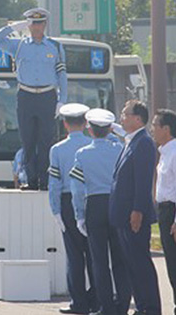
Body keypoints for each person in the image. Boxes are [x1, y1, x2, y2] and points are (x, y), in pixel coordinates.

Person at [0, 7, 67, 190]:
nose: (36, 27)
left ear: (45, 24)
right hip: (26, 95)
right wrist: (13, 27)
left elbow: (62, 74)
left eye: (40, 23)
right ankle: (31, 181)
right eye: (33, 23)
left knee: (46, 140)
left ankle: (45, 180)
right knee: (28, 140)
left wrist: (62, 100)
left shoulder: (55, 46)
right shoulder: (19, 45)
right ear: (28, 25)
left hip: (47, 96)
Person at [70, 108, 131, 315]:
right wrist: (117, 129)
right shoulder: (120, 149)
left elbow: (77, 190)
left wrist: (79, 215)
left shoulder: (82, 154)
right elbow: (129, 138)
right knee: (120, 259)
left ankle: (105, 307)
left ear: (90, 129)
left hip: (94, 205)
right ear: (110, 128)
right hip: (117, 203)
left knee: (99, 260)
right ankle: (122, 305)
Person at [110, 100, 161, 315]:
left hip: (133, 216)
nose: (122, 115)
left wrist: (138, 210)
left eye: (126, 112)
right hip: (122, 216)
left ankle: (150, 308)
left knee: (141, 264)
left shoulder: (144, 143)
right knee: (132, 265)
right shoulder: (131, 141)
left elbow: (142, 181)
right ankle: (142, 307)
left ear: (137, 118)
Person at [48, 103, 97, 314]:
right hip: (93, 201)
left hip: (68, 203)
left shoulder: (57, 149)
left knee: (74, 255)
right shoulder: (93, 144)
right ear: (86, 123)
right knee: (95, 254)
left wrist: (56, 210)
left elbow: (54, 183)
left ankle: (78, 303)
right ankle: (97, 298)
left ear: (65, 124)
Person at [151, 109, 176, 315]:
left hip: (172, 212)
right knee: (171, 262)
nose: (152, 129)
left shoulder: (174, 152)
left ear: (166, 129)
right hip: (165, 211)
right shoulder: (165, 151)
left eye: (155, 125)